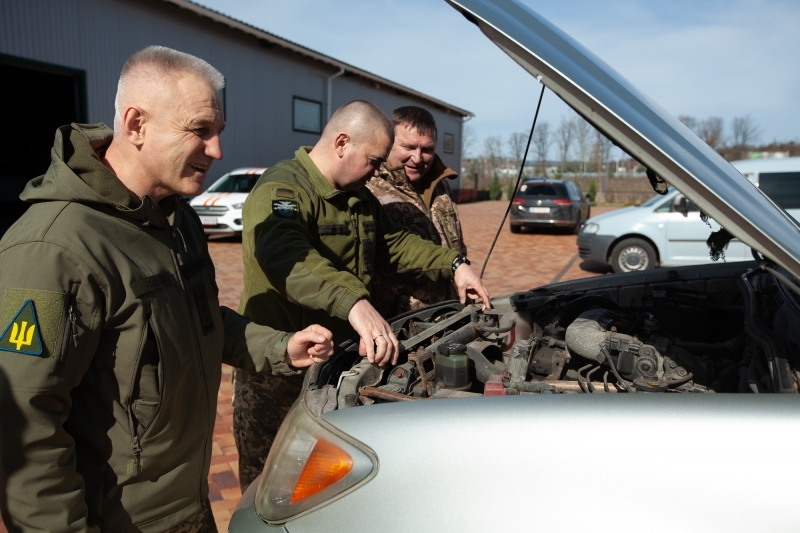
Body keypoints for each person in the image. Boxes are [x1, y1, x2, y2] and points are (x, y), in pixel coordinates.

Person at [0, 46, 334, 533]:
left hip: (188, 503)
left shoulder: (178, 220)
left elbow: (202, 323)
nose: (217, 151)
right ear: (136, 125)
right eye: (200, 130)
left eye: (218, 132)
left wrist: (282, 346)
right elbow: (24, 426)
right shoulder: (52, 248)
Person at [233, 100, 490, 491]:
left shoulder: (360, 198)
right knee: (268, 484)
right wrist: (354, 302)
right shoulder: (281, 189)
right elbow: (287, 257)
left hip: (333, 368)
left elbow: (397, 245)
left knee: (323, 483)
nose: (377, 172)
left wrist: (455, 264)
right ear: (341, 143)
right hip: (278, 372)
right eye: (372, 161)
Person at [366, 106, 467, 317]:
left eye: (427, 149)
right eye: (408, 147)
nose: (418, 158)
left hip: (449, 314)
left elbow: (456, 241)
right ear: (389, 142)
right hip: (400, 323)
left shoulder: (441, 184)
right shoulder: (369, 186)